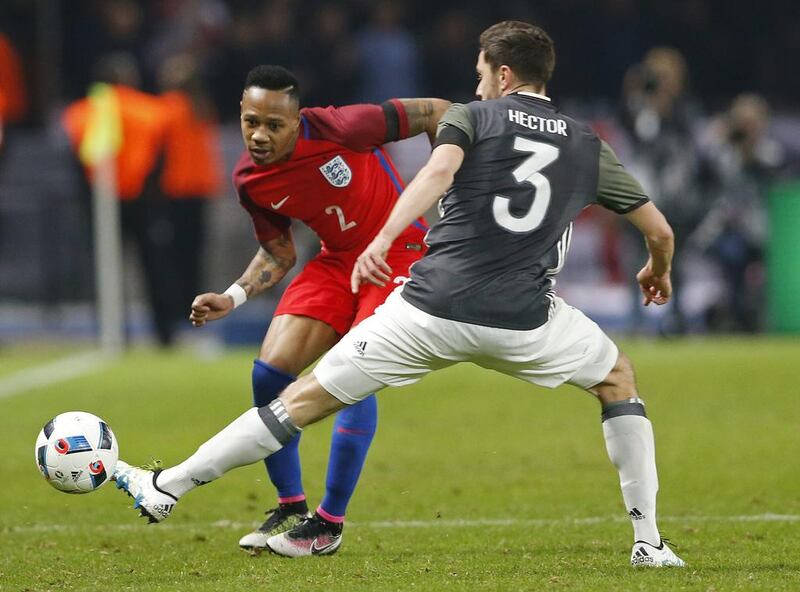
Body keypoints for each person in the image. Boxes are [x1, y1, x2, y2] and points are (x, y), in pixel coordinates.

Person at [113, 21, 685, 567]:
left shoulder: (473, 117)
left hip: (430, 306)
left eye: (482, 73)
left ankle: (168, 485)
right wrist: (656, 270)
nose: (477, 84)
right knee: (618, 380)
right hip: (527, 319)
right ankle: (649, 541)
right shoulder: (588, 143)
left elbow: (436, 175)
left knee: (301, 402)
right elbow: (660, 231)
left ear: (504, 77)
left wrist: (383, 237)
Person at [186, 64, 450, 553]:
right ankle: (291, 506)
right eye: (250, 122)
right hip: (336, 260)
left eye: (274, 125)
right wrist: (233, 296)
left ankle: (329, 524)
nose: (259, 135)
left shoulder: (345, 127)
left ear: (298, 119)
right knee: (269, 375)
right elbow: (279, 252)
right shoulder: (250, 179)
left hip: (397, 251)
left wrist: (451, 193)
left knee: (356, 368)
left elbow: (440, 112)